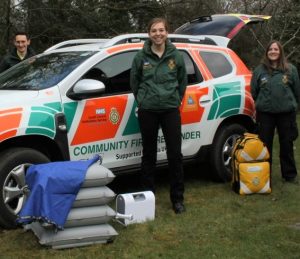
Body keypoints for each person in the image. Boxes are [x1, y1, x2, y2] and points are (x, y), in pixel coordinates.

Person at [130, 18, 188, 213]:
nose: (158, 34)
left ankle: (177, 199)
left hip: (171, 109)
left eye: (161, 30)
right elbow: (135, 83)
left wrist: (175, 99)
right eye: (154, 30)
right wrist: (143, 101)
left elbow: (182, 82)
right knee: (149, 155)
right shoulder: (140, 57)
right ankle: (147, 199)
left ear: (167, 32)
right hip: (148, 111)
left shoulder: (176, 56)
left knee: (175, 154)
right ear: (149, 34)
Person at [251, 40, 300, 183]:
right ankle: (265, 174)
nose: (273, 51)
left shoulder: (290, 69)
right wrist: (263, 102)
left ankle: (289, 175)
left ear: (280, 52)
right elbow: (254, 91)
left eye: (276, 49)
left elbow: (297, 91)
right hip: (265, 114)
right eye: (270, 49)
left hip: (286, 113)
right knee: (265, 144)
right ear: (267, 52)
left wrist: (293, 106)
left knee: (286, 143)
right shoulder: (259, 70)